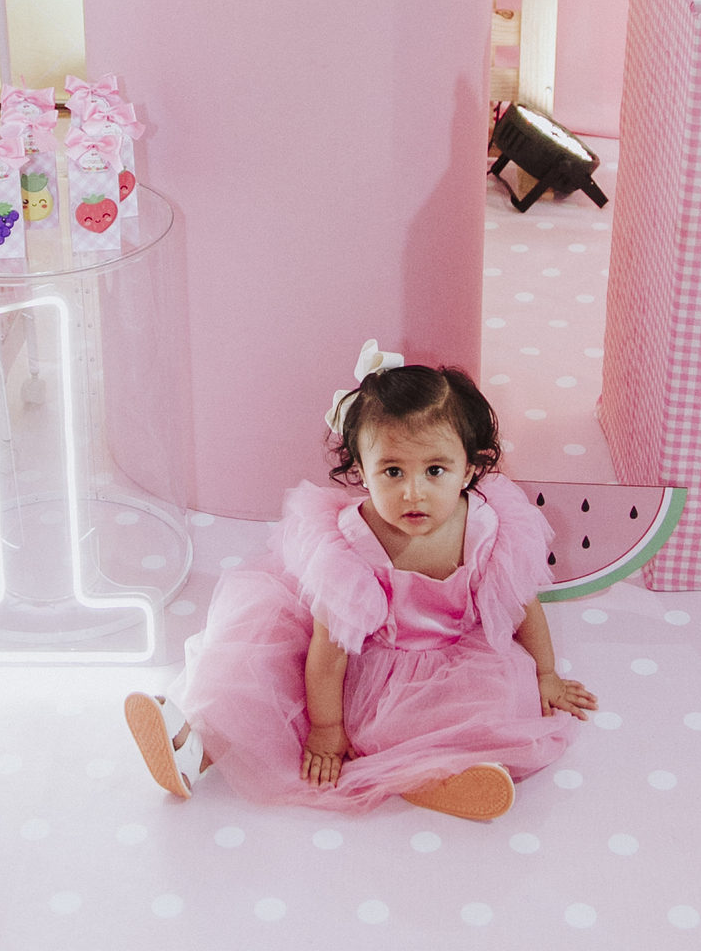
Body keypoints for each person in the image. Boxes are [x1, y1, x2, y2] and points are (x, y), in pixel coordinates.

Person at [124, 344, 597, 821]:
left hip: (455, 657)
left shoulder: (490, 528)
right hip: (361, 665)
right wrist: (327, 729)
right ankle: (194, 747)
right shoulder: (351, 547)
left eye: (435, 470)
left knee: (496, 702)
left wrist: (545, 675)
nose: (413, 492)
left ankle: (448, 778)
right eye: (392, 471)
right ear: (361, 472)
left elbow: (523, 606)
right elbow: (328, 655)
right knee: (255, 681)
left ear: (470, 469)